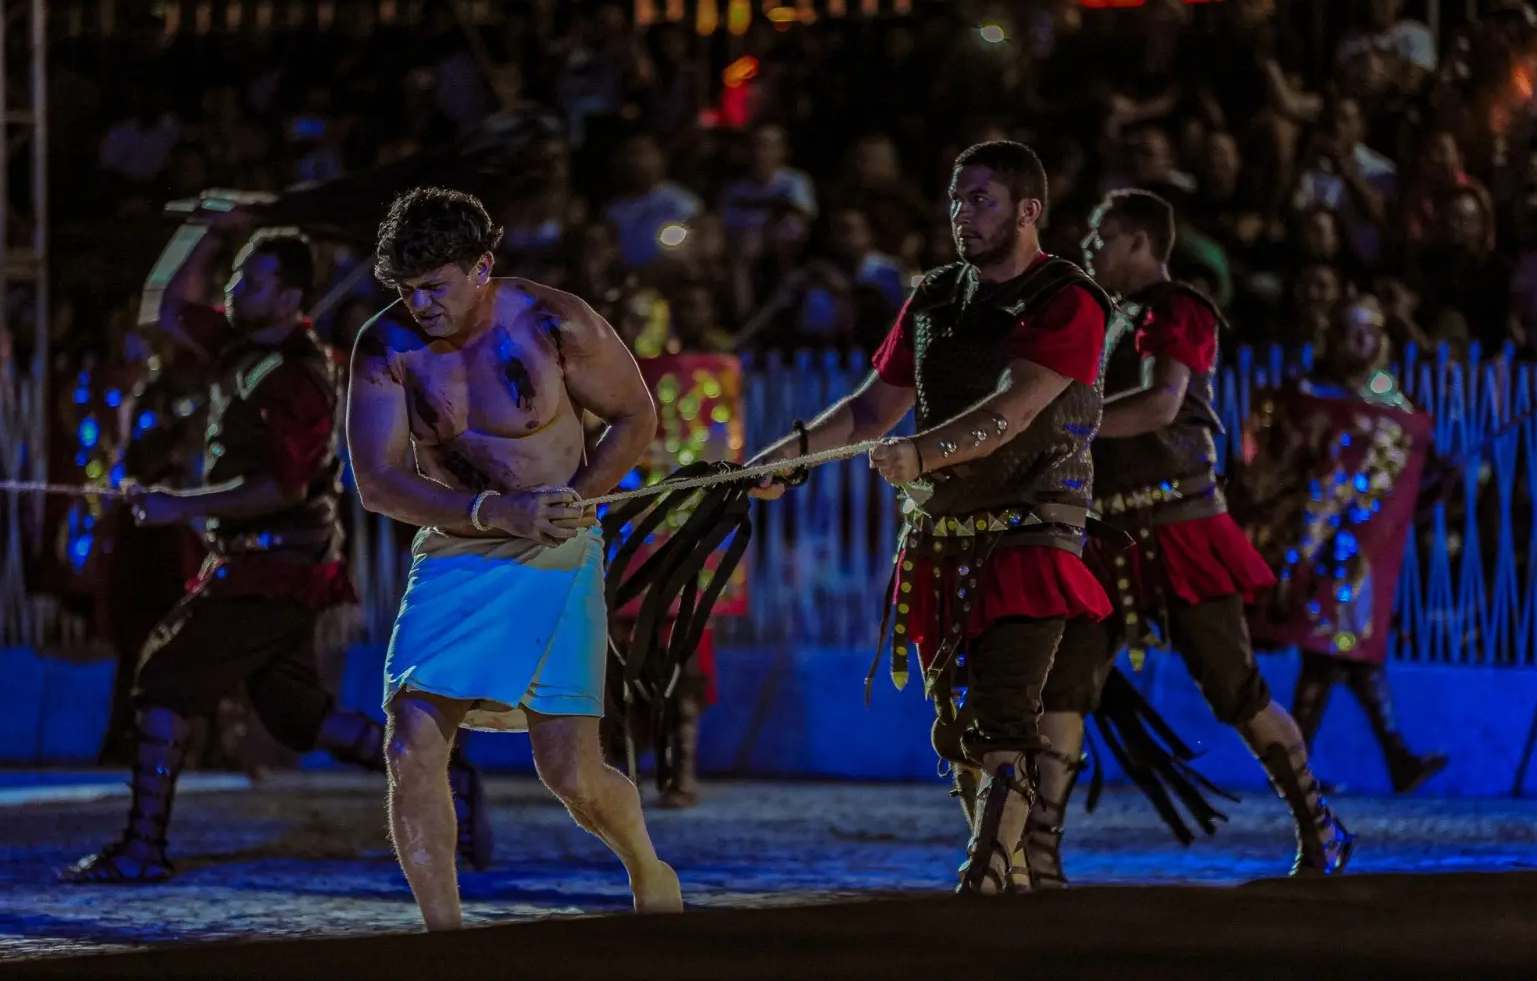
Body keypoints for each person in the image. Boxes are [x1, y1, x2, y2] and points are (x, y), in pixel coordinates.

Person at [58, 209, 489, 883]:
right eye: (235, 276)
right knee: (295, 714)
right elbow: (163, 306)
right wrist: (205, 225)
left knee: (164, 680)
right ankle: (446, 769)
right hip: (266, 560)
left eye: (253, 282)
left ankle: (143, 847)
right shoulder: (243, 346)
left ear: (290, 298)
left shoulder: (297, 376)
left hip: (277, 562)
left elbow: (280, 487)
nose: (234, 290)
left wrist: (182, 505)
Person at [752, 141, 1113, 895]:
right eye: (955, 199)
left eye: (979, 199)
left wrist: (922, 453)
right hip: (942, 536)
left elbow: (1015, 409)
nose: (960, 214)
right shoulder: (934, 297)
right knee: (955, 731)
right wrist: (781, 457)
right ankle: (1007, 871)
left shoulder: (1065, 298)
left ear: (1027, 210)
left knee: (1004, 711)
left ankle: (983, 871)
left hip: (1029, 528)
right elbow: (867, 407)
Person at [348, 186, 682, 931]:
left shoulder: (552, 320)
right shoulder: (385, 345)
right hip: (454, 547)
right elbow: (377, 481)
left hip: (558, 546)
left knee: (571, 773)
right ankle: (446, 938)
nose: (420, 304)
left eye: (435, 286)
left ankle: (645, 863)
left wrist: (582, 494)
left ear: (482, 267)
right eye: (406, 290)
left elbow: (635, 414)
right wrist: (487, 511)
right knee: (409, 742)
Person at [1016, 189, 1353, 888]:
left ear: (1140, 242)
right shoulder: (1105, 319)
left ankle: (1318, 823)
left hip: (1178, 526)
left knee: (1233, 687)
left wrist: (1063, 426)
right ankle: (1039, 852)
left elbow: (1162, 403)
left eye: (1101, 238)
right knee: (1065, 686)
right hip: (1108, 534)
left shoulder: (1181, 309)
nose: (1089, 250)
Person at [1235, 295, 1447, 795]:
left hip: (1362, 548)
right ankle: (1342, 764)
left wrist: (1437, 471)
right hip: (1313, 540)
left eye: (1372, 333)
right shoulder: (1308, 392)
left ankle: (1379, 760)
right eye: (1353, 332)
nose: (1362, 344)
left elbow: (1404, 472)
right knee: (1332, 648)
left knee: (1344, 650)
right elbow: (1277, 461)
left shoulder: (1392, 400)